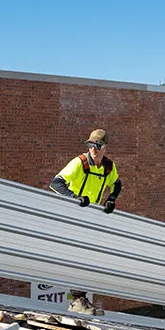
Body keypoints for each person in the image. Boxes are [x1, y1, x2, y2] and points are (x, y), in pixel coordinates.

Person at [49, 129, 123, 314]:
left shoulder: (108, 167)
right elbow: (56, 183)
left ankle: (80, 299)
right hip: (71, 215)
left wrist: (111, 199)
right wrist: (75, 197)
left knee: (88, 257)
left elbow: (117, 184)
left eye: (97, 146)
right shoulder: (79, 163)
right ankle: (77, 301)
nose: (93, 149)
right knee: (76, 256)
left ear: (105, 147)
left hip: (90, 218)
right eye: (90, 145)